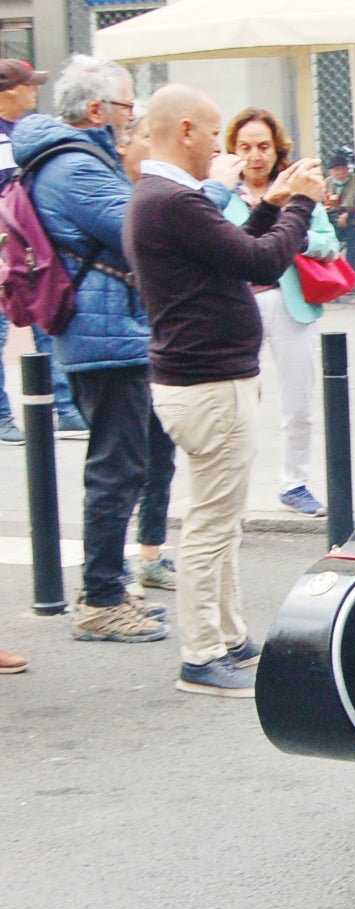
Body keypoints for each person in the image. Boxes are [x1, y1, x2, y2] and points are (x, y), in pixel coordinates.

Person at [124, 83, 324, 696]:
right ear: (185, 131)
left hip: (205, 379)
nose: (221, 146)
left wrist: (275, 203)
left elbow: (232, 252)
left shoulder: (161, 198)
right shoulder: (173, 200)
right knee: (212, 523)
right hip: (208, 383)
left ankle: (230, 636)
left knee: (223, 518)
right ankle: (202, 653)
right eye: (213, 133)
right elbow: (262, 263)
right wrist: (301, 206)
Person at [12, 54, 168, 642]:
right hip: (102, 337)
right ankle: (101, 598)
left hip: (105, 331)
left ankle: (110, 582)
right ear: (98, 110)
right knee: (116, 468)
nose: (133, 118)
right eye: (129, 106)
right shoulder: (76, 166)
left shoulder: (71, 160)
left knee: (126, 463)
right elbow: (142, 233)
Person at [222, 107, 340, 517]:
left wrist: (294, 236)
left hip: (290, 302)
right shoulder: (219, 194)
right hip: (237, 307)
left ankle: (295, 483)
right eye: (245, 147)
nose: (255, 156)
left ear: (277, 150)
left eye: (263, 147)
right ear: (232, 151)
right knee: (236, 403)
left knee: (299, 402)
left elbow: (330, 243)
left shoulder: (297, 188)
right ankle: (232, 488)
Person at [116, 114, 180, 592]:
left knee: (160, 456)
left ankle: (150, 552)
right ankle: (115, 569)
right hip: (122, 342)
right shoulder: (133, 199)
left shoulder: (158, 193)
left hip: (155, 338)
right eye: (143, 139)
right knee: (125, 463)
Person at [0, 58, 47, 446]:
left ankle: (62, 407)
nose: (36, 89)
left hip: (28, 246)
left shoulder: (27, 133)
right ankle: (1, 415)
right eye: (29, 84)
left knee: (47, 318)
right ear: (8, 91)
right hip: (4, 249)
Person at [324, 151, 355, 277]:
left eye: (343, 169)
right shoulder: (326, 183)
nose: (340, 173)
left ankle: (353, 276)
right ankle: (327, 274)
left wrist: (348, 214)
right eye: (336, 170)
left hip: (353, 220)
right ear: (330, 171)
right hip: (331, 220)